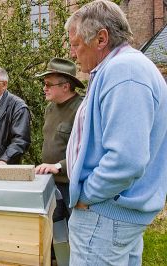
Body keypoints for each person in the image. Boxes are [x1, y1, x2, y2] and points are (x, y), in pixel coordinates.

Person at [65, 1, 167, 265]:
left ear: (101, 38)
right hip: (114, 215)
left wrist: (87, 195)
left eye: (76, 44)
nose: (73, 53)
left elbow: (127, 158)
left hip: (104, 215)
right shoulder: (119, 69)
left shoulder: (125, 71)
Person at [35, 58, 84, 266]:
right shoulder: (50, 108)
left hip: (72, 185)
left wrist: (59, 166)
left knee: (76, 232)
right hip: (50, 182)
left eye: (48, 84)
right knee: (55, 229)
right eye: (43, 84)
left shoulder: (82, 110)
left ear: (66, 86)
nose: (44, 88)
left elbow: (85, 151)